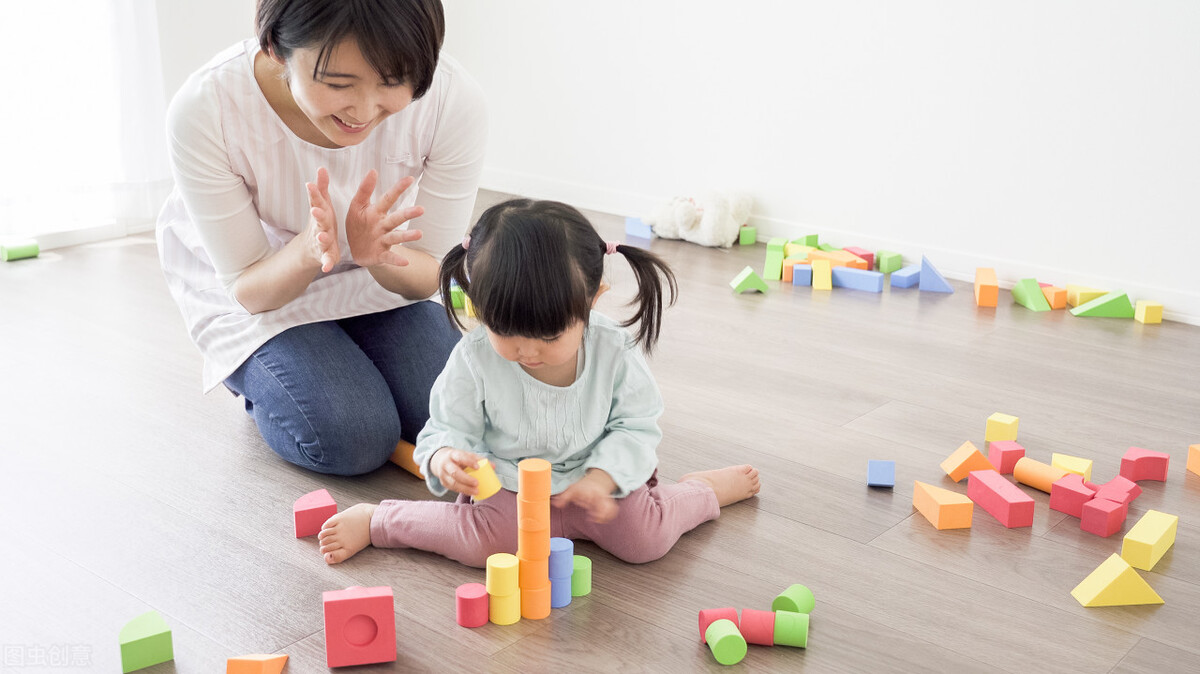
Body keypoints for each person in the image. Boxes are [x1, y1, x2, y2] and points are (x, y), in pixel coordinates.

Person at [317, 199, 760, 568]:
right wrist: (444, 458)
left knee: (646, 541)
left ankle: (700, 491)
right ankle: (380, 520)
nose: (527, 351)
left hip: (596, 482)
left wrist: (603, 478)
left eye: (549, 337)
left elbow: (636, 426)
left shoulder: (614, 351)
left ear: (592, 300)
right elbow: (447, 426)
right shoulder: (474, 357)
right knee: (482, 548)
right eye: (505, 332)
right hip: (509, 486)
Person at [156, 0, 486, 475]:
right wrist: (309, 251)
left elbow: (433, 270)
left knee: (457, 413)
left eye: (392, 82)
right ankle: (261, 379)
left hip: (383, 278)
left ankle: (332, 361)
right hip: (263, 286)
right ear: (274, 48)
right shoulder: (206, 109)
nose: (365, 109)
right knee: (354, 437)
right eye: (337, 84)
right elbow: (249, 288)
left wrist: (377, 258)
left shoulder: (453, 101)